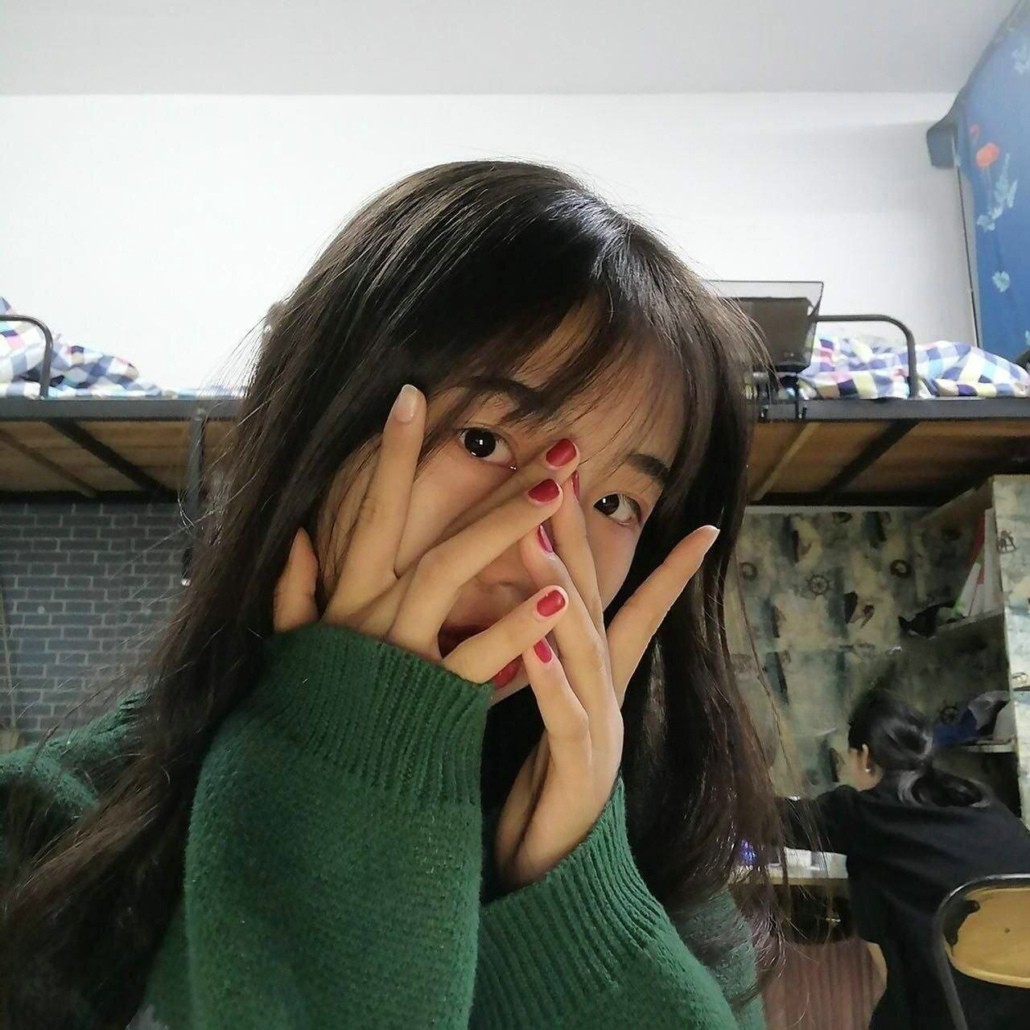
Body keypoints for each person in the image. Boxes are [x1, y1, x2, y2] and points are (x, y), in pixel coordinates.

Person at [0, 161, 780, 1028]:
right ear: (319, 432)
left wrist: (577, 906)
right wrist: (351, 761)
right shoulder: (43, 831)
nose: (538, 555)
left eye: (614, 504)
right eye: (481, 440)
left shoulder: (664, 874)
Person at [780, 688, 1030, 1030]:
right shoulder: (981, 802)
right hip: (1019, 1005)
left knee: (867, 874)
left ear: (864, 756)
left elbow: (779, 821)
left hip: (948, 1015)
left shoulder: (868, 814)